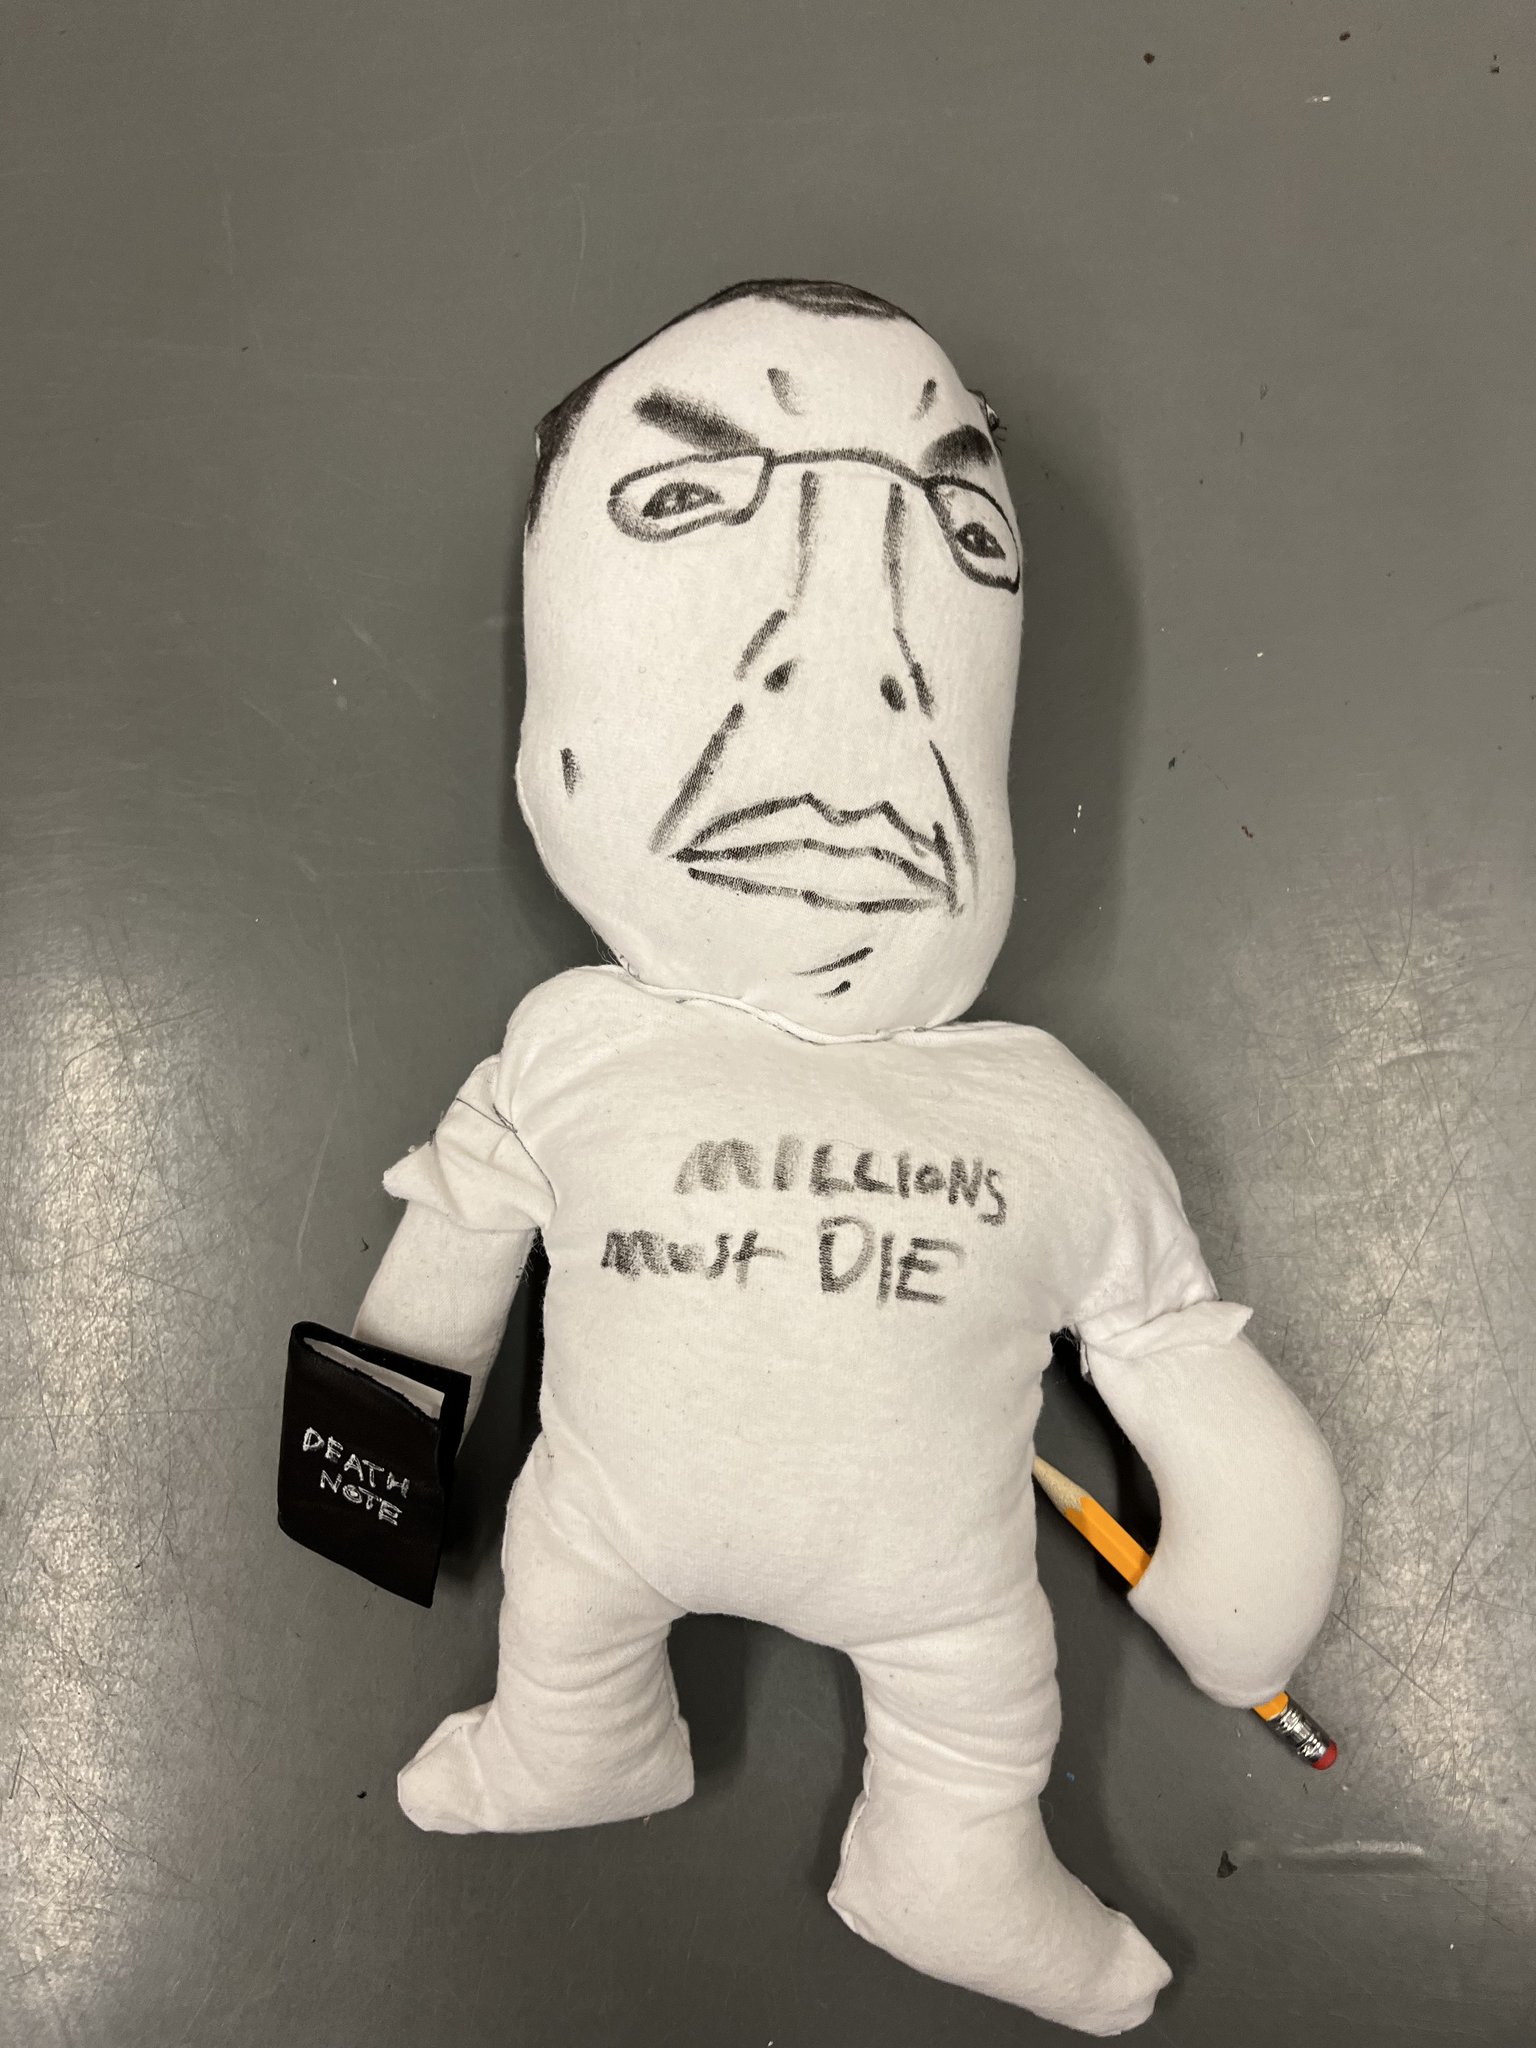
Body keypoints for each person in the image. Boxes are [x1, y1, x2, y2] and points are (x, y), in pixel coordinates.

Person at [349, 280, 1344, 2035]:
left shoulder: (1041, 1113)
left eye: (957, 531)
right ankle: (580, 1742)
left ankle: (948, 1863)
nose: (851, 666)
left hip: (924, 1588)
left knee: (970, 1697)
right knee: (574, 1612)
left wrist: (1242, 1598)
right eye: (687, 497)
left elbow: (1170, 1350)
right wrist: (373, 1451)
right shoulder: (580, 1048)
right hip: (618, 1537)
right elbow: (449, 1262)